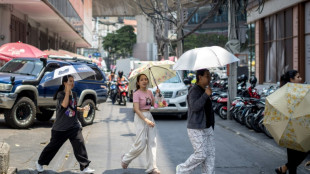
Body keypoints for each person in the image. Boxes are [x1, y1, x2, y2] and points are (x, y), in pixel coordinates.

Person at [35, 75, 95, 174]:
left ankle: (84, 167)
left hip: (73, 126)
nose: (72, 83)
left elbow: (72, 107)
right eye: (70, 81)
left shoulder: (74, 94)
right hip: (61, 128)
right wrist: (67, 92)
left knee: (80, 144)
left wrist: (82, 109)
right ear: (64, 83)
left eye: (73, 81)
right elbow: (64, 105)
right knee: (53, 147)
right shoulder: (60, 95)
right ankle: (39, 162)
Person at [176, 69, 215, 174]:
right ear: (200, 77)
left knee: (210, 156)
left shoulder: (204, 89)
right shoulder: (194, 90)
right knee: (201, 154)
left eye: (210, 75)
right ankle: (182, 170)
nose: (209, 78)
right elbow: (194, 107)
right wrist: (206, 95)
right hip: (196, 127)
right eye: (207, 76)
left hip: (207, 127)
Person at [121, 73, 161, 174]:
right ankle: (126, 158)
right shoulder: (136, 93)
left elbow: (155, 105)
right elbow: (136, 109)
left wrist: (157, 95)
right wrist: (145, 120)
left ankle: (152, 167)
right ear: (138, 82)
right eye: (142, 80)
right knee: (141, 143)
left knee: (152, 142)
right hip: (140, 118)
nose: (144, 81)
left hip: (149, 115)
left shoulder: (149, 92)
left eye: (146, 79)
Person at [275, 70, 309, 174]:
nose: (301, 79)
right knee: (301, 151)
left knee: (292, 155)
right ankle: (285, 167)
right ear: (291, 80)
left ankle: (285, 168)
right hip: (294, 125)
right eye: (298, 77)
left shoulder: (287, 91)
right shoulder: (295, 92)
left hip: (291, 126)